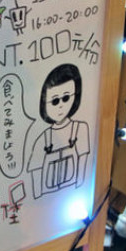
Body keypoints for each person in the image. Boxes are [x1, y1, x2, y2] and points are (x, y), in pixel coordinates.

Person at [27, 64, 90, 199]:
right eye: (55, 101)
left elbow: (83, 165)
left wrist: (79, 189)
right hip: (46, 198)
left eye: (66, 98)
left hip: (73, 195)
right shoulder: (43, 139)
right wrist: (38, 201)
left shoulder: (80, 129)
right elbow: (35, 172)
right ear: (44, 103)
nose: (61, 105)